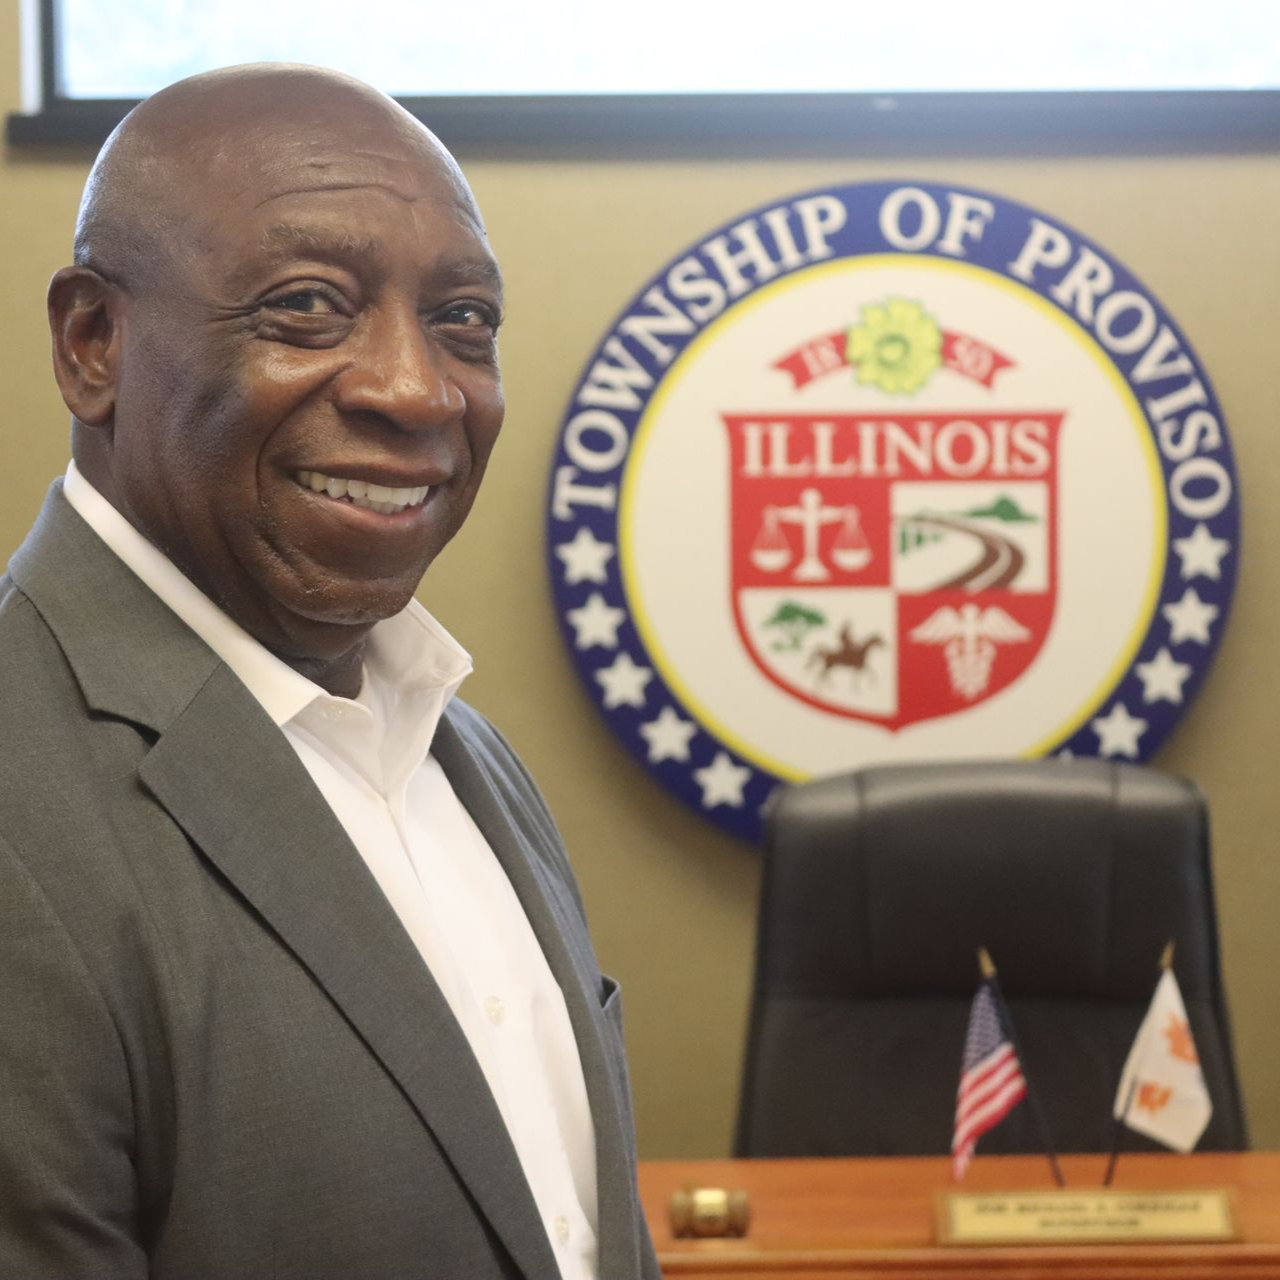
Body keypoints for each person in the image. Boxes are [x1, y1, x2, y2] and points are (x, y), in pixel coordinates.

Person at [0, 64, 658, 1280]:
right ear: (93, 343)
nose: (415, 389)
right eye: (307, 305)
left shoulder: (459, 751)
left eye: (463, 318)